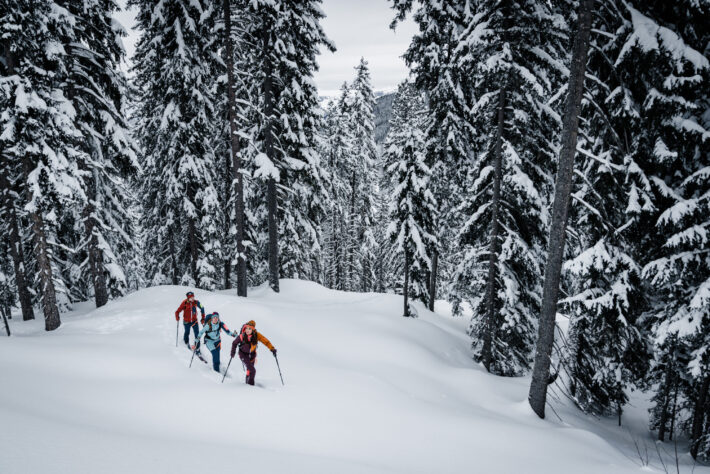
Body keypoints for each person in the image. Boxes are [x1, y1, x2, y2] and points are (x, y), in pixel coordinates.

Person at [230, 320, 276, 385]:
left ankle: (247, 382)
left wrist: (272, 349)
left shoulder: (257, 335)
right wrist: (233, 352)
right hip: (243, 354)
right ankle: (251, 386)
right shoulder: (242, 336)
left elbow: (266, 341)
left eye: (249, 329)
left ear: (253, 330)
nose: (247, 330)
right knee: (253, 370)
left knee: (249, 370)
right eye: (246, 328)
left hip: (252, 354)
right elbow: (234, 343)